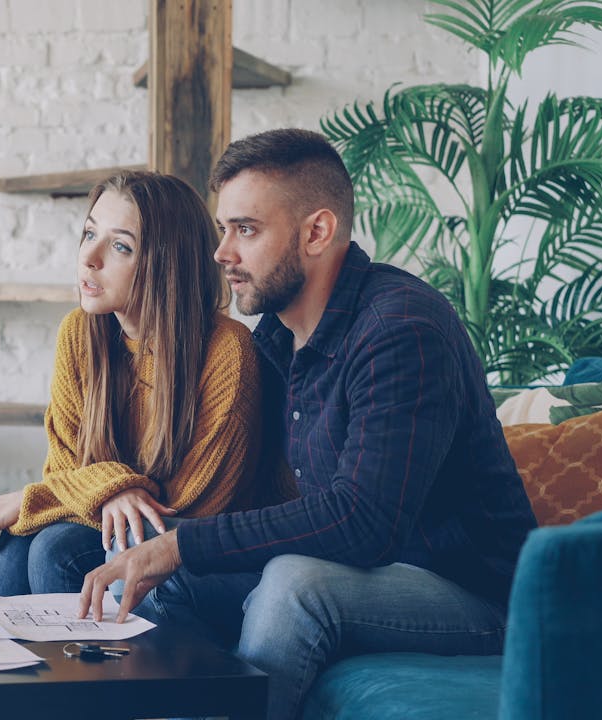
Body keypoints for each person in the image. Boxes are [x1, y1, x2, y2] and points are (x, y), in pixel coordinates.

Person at [78, 129, 539, 719]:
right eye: (224, 229)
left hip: (473, 595)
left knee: (294, 587)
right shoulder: (274, 338)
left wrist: (182, 543)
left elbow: (362, 520)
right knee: (143, 578)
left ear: (316, 232)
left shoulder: (399, 329)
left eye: (245, 229)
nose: (222, 253)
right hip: (368, 573)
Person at [0, 170, 284, 596]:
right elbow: (64, 469)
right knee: (20, 538)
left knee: (54, 546)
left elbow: (190, 507)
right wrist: (111, 491)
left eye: (120, 246)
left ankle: (91, 662)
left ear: (166, 262)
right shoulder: (81, 333)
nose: (90, 258)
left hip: (200, 553)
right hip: (116, 528)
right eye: (88, 234)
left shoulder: (227, 350)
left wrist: (39, 497)